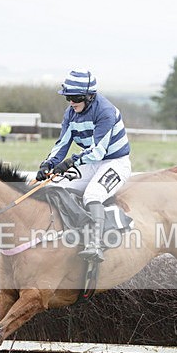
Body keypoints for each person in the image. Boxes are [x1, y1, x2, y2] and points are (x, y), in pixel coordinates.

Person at [35, 69, 131, 262]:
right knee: (56, 186)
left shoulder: (105, 112)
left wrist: (70, 162)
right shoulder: (71, 113)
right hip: (91, 162)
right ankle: (70, 232)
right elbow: (62, 143)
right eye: (68, 97)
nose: (71, 102)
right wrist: (49, 163)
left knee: (93, 195)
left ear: (90, 96)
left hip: (114, 162)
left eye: (75, 97)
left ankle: (96, 244)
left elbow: (98, 151)